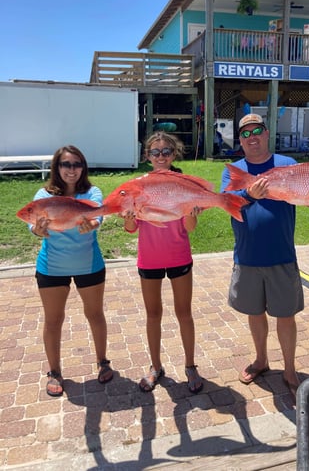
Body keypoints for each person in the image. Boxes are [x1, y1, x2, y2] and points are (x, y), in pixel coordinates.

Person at [221, 114, 309, 404]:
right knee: (255, 313)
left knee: (285, 316)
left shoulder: (288, 165)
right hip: (247, 255)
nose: (252, 137)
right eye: (245, 133)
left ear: (267, 133)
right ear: (240, 139)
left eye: (257, 130)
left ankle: (290, 371)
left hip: (281, 254)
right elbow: (227, 201)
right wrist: (249, 194)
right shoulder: (234, 170)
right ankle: (261, 360)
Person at [123, 131, 203, 394]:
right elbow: (130, 228)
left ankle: (190, 366)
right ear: (147, 156)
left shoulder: (184, 183)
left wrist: (191, 212)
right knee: (153, 314)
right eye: (155, 152)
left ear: (174, 154)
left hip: (179, 255)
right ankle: (155, 366)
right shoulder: (137, 185)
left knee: (184, 313)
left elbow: (190, 227)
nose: (160, 156)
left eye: (166, 152)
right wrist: (129, 215)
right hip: (150, 259)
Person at [29, 145, 113, 397]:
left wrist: (96, 222)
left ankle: (103, 361)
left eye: (77, 164)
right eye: (66, 164)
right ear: (57, 167)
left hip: (89, 264)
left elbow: (97, 214)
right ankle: (54, 371)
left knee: (95, 314)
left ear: (83, 167)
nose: (71, 170)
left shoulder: (92, 191)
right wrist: (37, 230)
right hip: (52, 266)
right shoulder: (44, 194)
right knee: (53, 320)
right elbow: (32, 223)